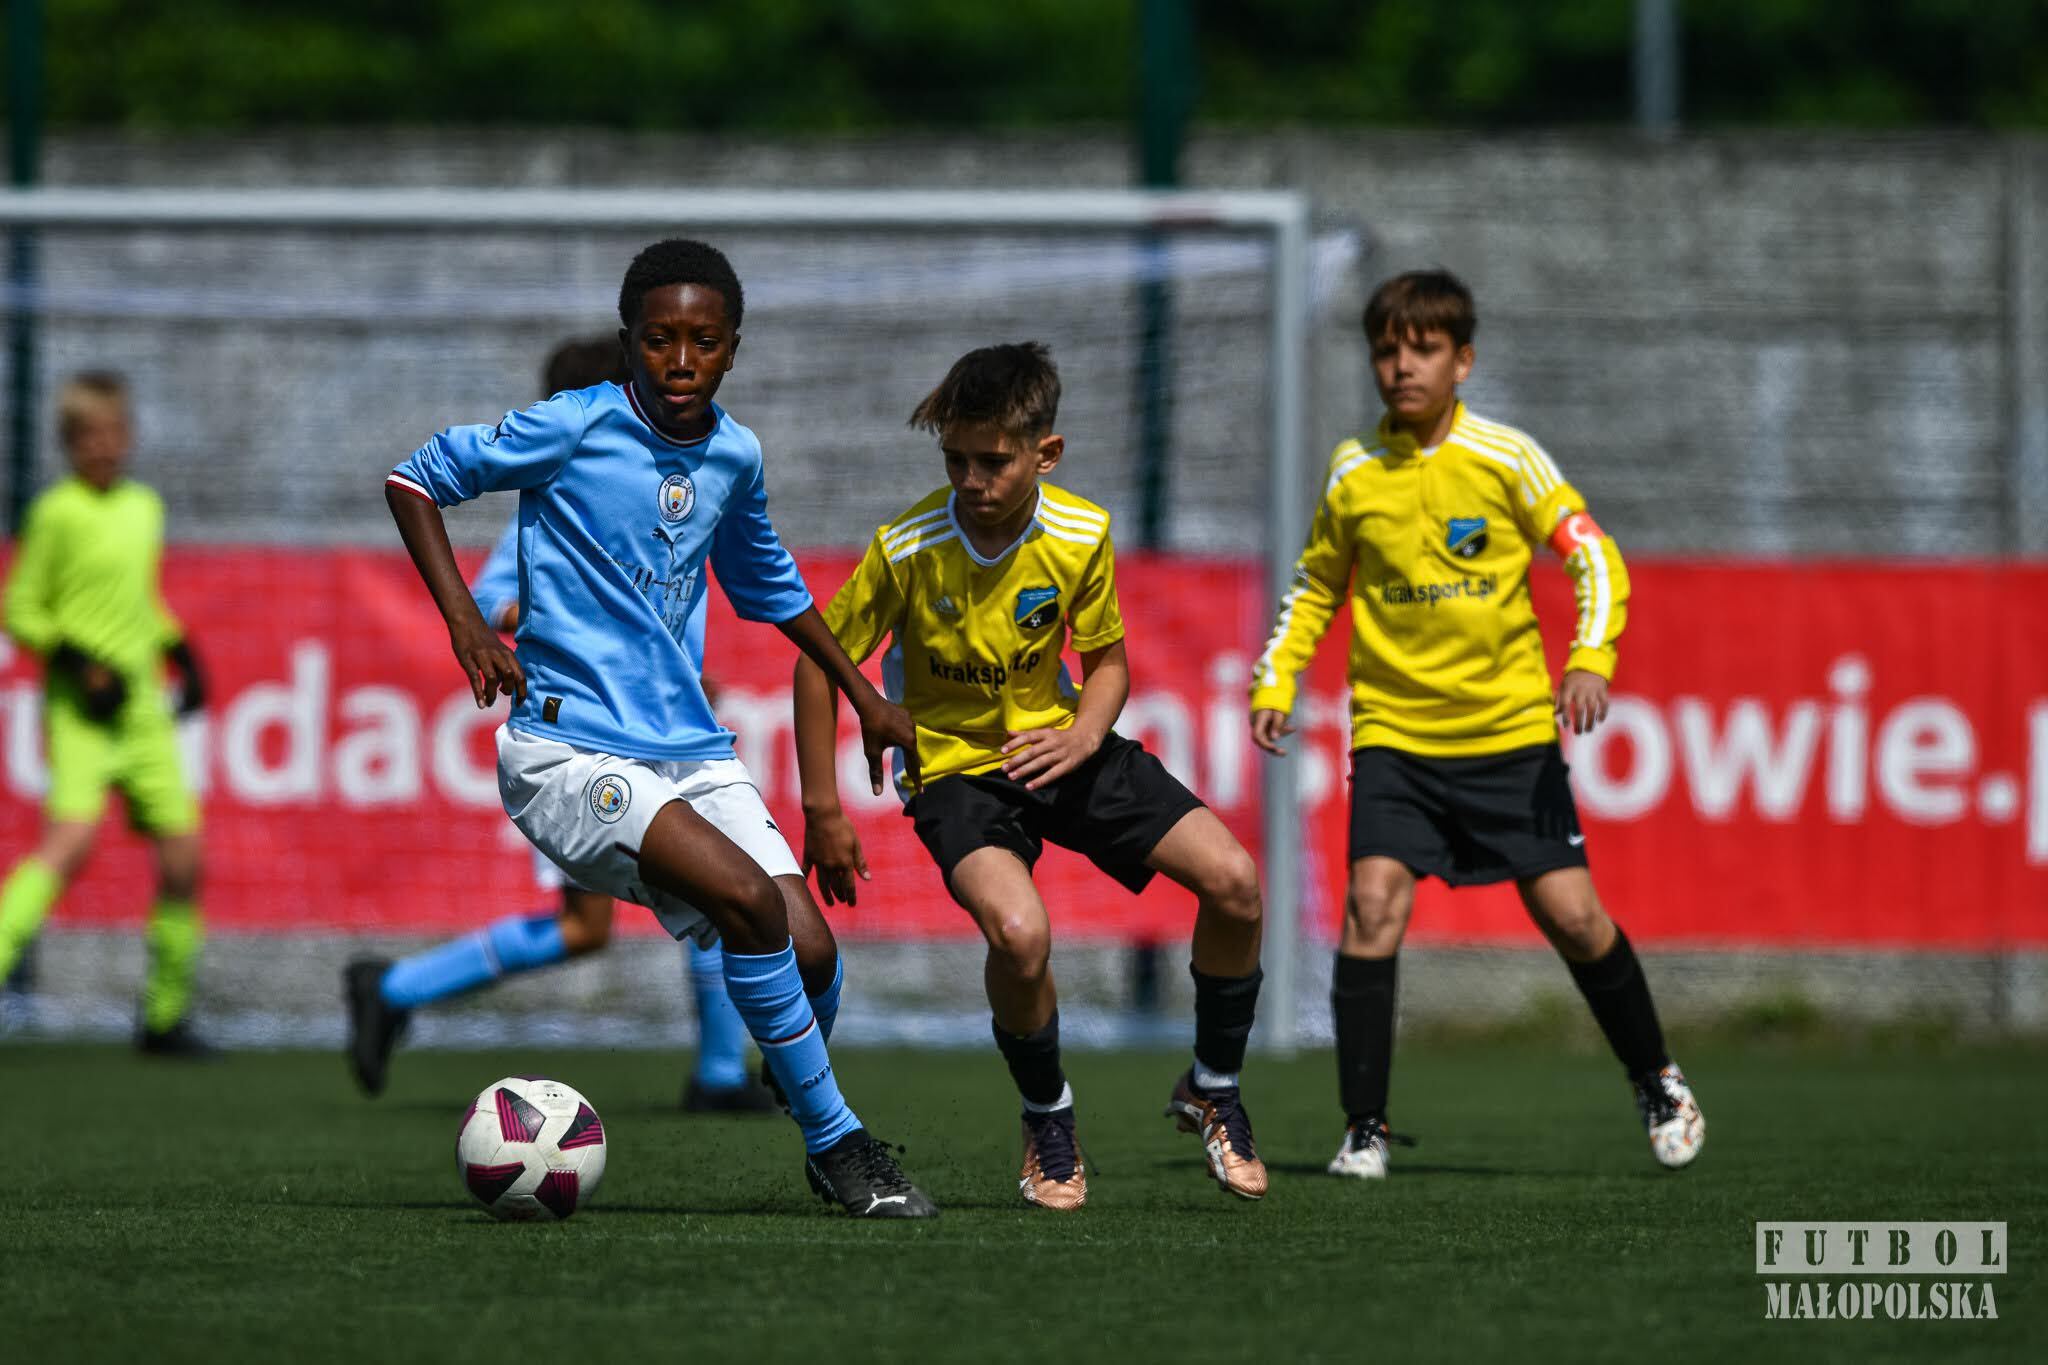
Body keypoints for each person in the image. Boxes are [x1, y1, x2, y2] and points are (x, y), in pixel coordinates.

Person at [369, 239, 936, 1217]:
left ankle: (799, 1087)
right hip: (567, 752)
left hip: (691, 754)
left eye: (703, 342)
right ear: (630, 341)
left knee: (811, 952)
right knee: (746, 904)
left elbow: (772, 589)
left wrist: (864, 697)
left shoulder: (734, 455)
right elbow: (415, 479)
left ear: (732, 348)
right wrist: (467, 620)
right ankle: (839, 1144)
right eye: (660, 338)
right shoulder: (572, 424)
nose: (681, 360)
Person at [1249, 269, 1704, 1179]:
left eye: (1424, 349)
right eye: (1387, 350)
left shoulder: (1507, 457)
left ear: (1463, 361)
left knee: (1574, 917)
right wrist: (1278, 676)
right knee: (1372, 904)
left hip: (1509, 736)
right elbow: (1314, 586)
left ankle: (1656, 1076)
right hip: (1395, 737)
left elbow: (1594, 558)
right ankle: (1365, 1127)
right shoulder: (1353, 470)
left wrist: (1591, 655)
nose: (1402, 366)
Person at [794, 342, 1268, 1210]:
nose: (970, 481)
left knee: (1236, 881)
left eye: (993, 461)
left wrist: (1083, 735)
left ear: (1045, 453)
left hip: (1061, 744)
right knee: (1019, 934)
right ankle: (1048, 1118)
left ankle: (1213, 1088)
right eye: (955, 460)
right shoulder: (908, 545)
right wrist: (823, 809)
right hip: (955, 773)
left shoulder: (1082, 534)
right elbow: (816, 661)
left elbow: (1109, 662)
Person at [346, 337, 774, 1114]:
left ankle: (718, 1069)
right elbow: (490, 601)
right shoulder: (562, 501)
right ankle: (397, 986)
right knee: (629, 916)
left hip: (664, 733)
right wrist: (564, 620)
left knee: (697, 897)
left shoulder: (667, 496)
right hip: (583, 738)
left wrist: (680, 672)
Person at [0, 372, 213, 1056]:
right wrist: (75, 662)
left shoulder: (143, 506)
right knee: (68, 844)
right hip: (81, 713)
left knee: (184, 856)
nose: (104, 445)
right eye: (89, 434)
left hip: (141, 711)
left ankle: (164, 1017)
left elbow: (137, 601)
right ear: (68, 442)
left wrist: (180, 651)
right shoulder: (56, 512)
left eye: (114, 431)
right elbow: (21, 607)